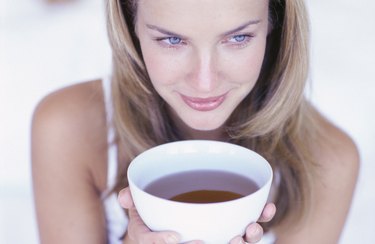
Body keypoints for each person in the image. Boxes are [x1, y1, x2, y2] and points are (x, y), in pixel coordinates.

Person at [31, 0, 359, 243]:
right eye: (172, 40)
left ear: (275, 25)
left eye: (239, 38)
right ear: (132, 29)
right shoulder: (67, 129)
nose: (205, 82)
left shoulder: (327, 162)